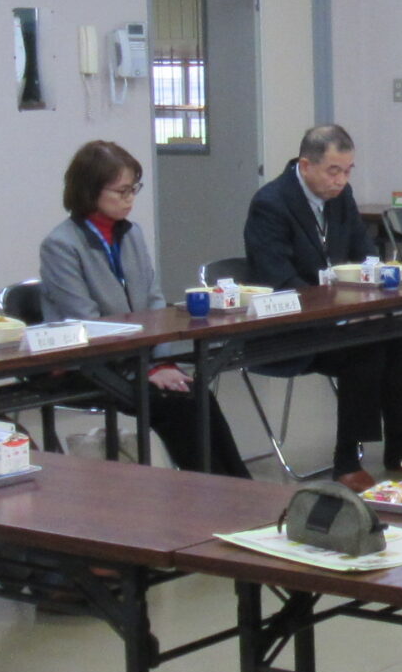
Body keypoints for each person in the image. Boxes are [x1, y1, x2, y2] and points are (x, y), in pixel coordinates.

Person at [38, 140, 249, 478]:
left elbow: (154, 303)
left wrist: (161, 361)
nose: (129, 198)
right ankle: (214, 494)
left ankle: (239, 489)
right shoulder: (61, 245)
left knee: (197, 395)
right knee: (178, 405)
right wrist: (145, 369)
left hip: (138, 357)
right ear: (90, 190)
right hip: (92, 363)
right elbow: (86, 322)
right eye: (121, 191)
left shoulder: (132, 233)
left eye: (133, 189)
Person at [243, 123, 402, 480]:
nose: (341, 180)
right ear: (305, 165)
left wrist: (373, 285)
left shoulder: (341, 197)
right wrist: (339, 314)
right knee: (364, 350)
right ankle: (347, 461)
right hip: (286, 328)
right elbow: (278, 279)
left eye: (347, 171)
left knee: (399, 341)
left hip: (338, 319)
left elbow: (364, 254)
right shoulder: (271, 203)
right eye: (333, 171)